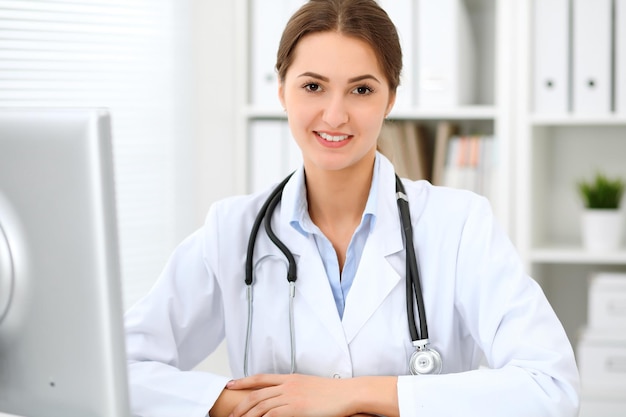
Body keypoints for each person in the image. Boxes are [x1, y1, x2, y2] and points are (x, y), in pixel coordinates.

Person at [124, 0, 580, 416]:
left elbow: (550, 387)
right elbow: (118, 367)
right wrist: (228, 403)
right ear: (282, 91)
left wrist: (353, 394)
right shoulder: (233, 230)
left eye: (361, 90)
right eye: (313, 86)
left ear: (391, 99)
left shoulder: (458, 224)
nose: (335, 115)